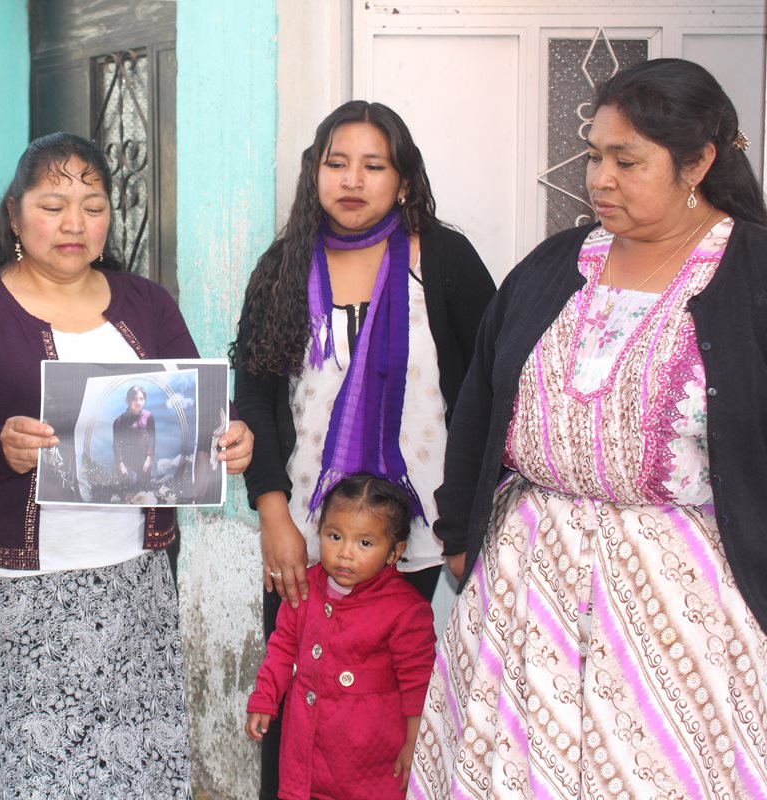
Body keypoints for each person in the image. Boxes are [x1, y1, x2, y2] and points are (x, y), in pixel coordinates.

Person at [409, 58, 767, 799]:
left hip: (685, 602)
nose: (599, 178)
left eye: (626, 161)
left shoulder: (753, 276)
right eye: (594, 157)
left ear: (698, 161)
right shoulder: (554, 266)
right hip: (527, 586)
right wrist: (458, 533)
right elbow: (479, 399)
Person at [0, 131, 253, 799]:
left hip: (129, 584)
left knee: (125, 767)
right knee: (24, 773)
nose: (74, 222)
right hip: (13, 594)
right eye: (52, 204)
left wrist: (232, 438)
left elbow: (191, 409)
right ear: (14, 215)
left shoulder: (146, 304)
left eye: (93, 204)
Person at [232, 100, 495, 797]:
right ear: (314, 174)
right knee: (298, 704)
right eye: (336, 163)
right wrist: (274, 516)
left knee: (407, 715)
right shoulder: (282, 266)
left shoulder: (443, 260)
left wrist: (469, 520)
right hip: (310, 539)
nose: (353, 180)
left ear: (403, 180)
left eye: (374, 166)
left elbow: (492, 387)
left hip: (428, 542)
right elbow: (254, 397)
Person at [245, 474, 435, 800]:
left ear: (394, 552)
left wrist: (413, 743)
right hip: (306, 753)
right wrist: (264, 697)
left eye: (364, 543)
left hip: (371, 761)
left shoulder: (406, 610)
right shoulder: (305, 588)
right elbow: (281, 648)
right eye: (334, 536)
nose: (345, 553)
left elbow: (419, 686)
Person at [113, 384, 156, 492]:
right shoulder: (119, 421)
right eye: (135, 399)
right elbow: (116, 444)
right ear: (128, 400)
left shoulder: (148, 416)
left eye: (141, 399)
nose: (139, 402)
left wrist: (149, 457)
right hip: (128, 462)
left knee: (145, 490)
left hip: (144, 461)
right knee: (130, 490)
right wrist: (120, 464)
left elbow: (152, 438)